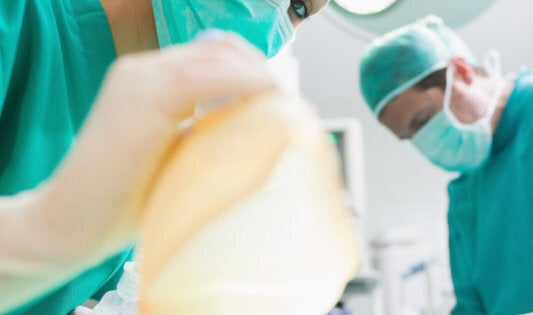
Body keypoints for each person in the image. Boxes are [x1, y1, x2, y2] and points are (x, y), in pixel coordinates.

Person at [0, 0, 329, 313]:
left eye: (299, 8)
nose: (274, 13)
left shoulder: (152, 138)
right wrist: (43, 230)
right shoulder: (15, 21)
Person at [359, 15, 533, 315]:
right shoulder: (465, 198)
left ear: (461, 71)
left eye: (423, 120)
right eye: (410, 136)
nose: (424, 141)